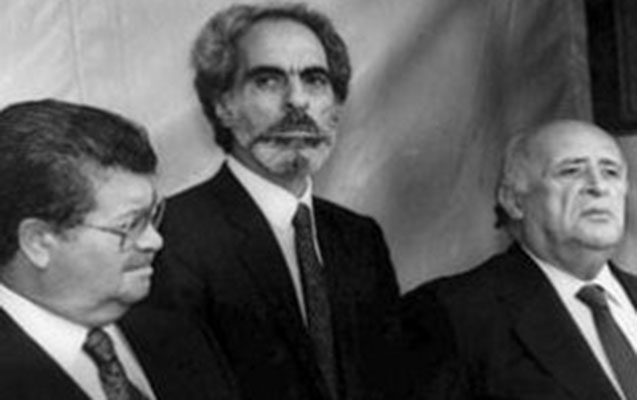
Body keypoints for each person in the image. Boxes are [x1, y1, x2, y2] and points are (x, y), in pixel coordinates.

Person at [147, 3, 400, 400]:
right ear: (223, 105)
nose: (297, 101)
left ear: (335, 107)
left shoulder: (359, 238)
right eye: (268, 81)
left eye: (315, 80)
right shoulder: (173, 237)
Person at [0, 99, 239, 400]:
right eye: (130, 224)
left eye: (152, 215)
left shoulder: (176, 322)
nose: (154, 240)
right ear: (39, 241)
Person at [401, 119, 637, 400]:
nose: (598, 186)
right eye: (571, 171)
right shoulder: (452, 312)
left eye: (611, 172)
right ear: (514, 201)